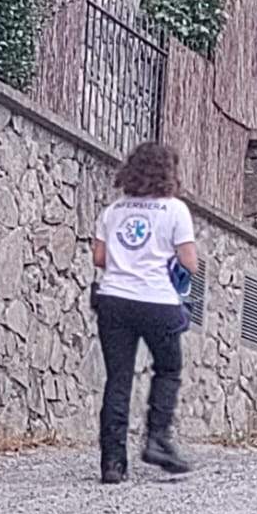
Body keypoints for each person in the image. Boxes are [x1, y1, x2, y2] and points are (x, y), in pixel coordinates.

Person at [91, 142, 199, 485]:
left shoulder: (113, 211)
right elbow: (189, 262)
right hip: (158, 302)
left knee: (118, 378)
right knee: (168, 368)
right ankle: (157, 440)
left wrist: (127, 262)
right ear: (169, 172)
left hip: (114, 300)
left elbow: (99, 257)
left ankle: (112, 463)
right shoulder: (175, 210)